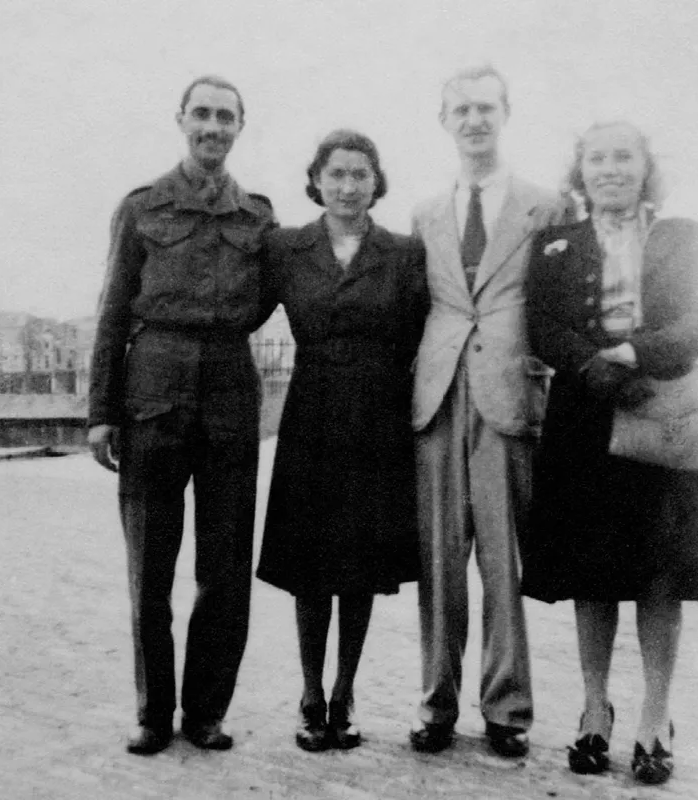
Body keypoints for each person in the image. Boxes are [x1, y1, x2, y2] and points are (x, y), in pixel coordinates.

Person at [521, 121, 698, 785]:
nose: (611, 169)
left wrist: (635, 355)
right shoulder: (555, 243)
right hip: (585, 420)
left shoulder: (686, 237)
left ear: (645, 166)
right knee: (593, 572)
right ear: (579, 171)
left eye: (624, 156)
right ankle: (592, 710)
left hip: (661, 416)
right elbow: (543, 323)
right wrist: (590, 365)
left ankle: (654, 718)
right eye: (597, 158)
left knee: (659, 574)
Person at [87, 75, 277, 755]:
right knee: (150, 567)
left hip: (229, 385)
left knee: (224, 568)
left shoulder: (257, 216)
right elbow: (112, 311)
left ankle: (205, 713)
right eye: (202, 114)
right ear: (180, 119)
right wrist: (101, 413)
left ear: (239, 127)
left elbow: (262, 302)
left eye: (225, 117)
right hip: (153, 389)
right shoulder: (142, 207)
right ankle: (151, 712)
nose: (213, 127)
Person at [256, 129, 428, 752]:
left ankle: (345, 692)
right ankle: (309, 693)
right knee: (310, 565)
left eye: (361, 175)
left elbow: (421, 336)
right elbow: (241, 311)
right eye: (337, 174)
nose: (349, 186)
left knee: (360, 567)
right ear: (317, 180)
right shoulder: (285, 248)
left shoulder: (406, 253)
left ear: (376, 182)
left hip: (377, 421)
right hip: (311, 416)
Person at [408, 64, 560, 757]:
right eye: (460, 109)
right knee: (440, 559)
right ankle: (436, 704)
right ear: (445, 121)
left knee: (504, 562)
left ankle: (507, 709)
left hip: (507, 394)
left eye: (485, 108)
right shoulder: (426, 212)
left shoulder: (545, 205)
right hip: (438, 396)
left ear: (506, 113)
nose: (474, 120)